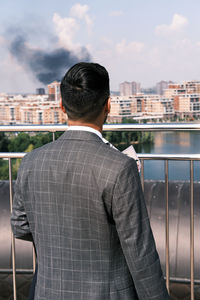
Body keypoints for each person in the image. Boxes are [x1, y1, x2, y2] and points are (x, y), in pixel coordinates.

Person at [11, 62, 169, 299]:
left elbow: (20, 226)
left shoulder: (31, 161)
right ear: (108, 105)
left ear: (62, 106)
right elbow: (139, 250)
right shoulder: (119, 167)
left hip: (47, 291)